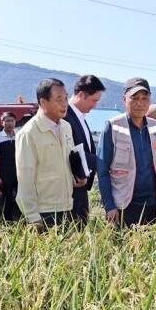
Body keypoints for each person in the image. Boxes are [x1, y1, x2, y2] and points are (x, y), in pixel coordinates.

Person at [16, 78, 86, 229]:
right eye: (59, 99)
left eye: (66, 98)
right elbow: (25, 180)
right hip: (44, 212)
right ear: (43, 102)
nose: (64, 104)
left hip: (68, 207)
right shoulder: (29, 133)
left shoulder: (66, 127)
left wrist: (76, 178)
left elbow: (67, 162)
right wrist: (33, 218)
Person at [97, 77, 156, 227]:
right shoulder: (113, 126)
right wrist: (109, 206)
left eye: (144, 98)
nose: (140, 103)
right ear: (124, 99)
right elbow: (102, 170)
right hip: (123, 206)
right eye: (134, 98)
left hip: (153, 205)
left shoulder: (155, 127)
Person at [63, 75, 106, 223]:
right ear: (81, 94)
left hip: (81, 187)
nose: (95, 105)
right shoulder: (65, 117)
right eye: (94, 100)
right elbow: (70, 152)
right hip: (70, 190)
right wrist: (105, 162)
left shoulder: (79, 116)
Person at [0, 112, 20, 220]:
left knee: (21, 196)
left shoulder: (19, 135)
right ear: (2, 122)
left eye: (12, 120)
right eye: (7, 121)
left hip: (19, 171)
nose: (10, 123)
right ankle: (7, 220)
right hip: (5, 172)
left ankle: (21, 218)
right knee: (7, 197)